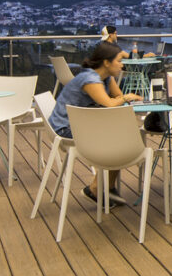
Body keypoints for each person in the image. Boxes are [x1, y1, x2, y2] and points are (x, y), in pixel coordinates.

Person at [49, 40, 145, 206]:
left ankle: (106, 188)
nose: (122, 66)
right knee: (120, 141)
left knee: (122, 137)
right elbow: (110, 103)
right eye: (119, 61)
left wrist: (118, 91)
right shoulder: (90, 79)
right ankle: (96, 188)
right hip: (65, 129)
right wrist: (127, 97)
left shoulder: (104, 78)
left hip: (80, 125)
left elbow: (117, 97)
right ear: (106, 62)